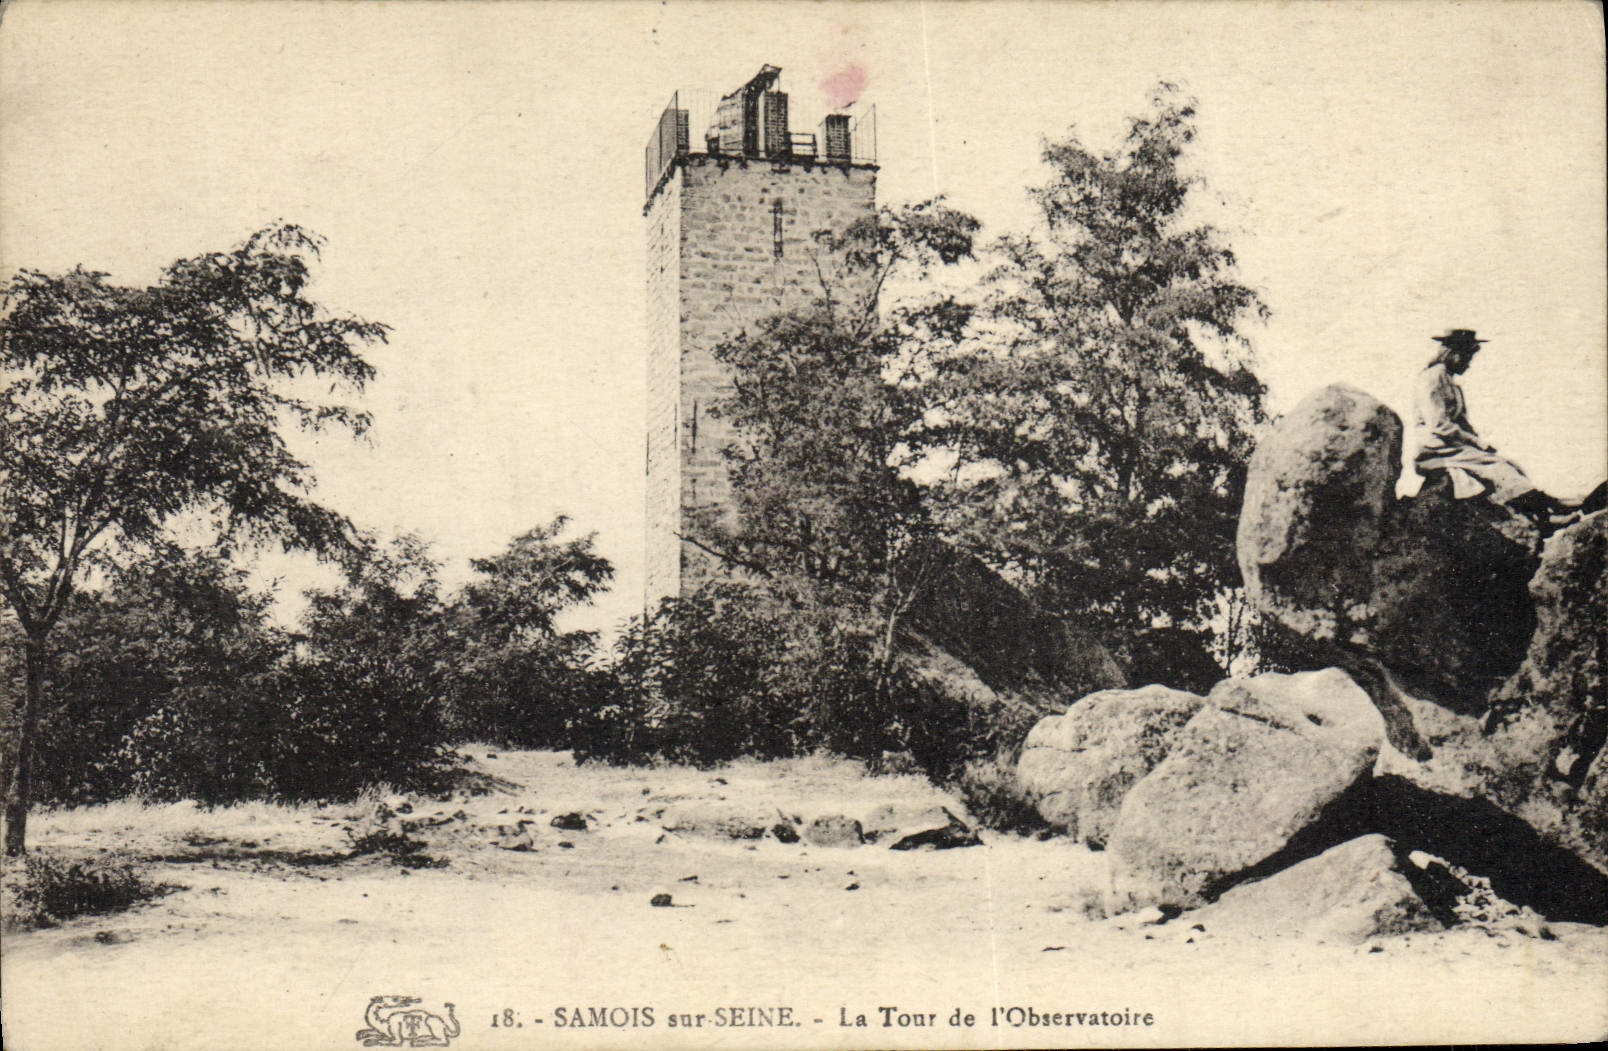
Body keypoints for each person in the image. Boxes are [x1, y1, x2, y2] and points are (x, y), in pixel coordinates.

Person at [1414, 329, 1602, 528]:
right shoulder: (1433, 378)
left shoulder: (1449, 381)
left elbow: (1461, 422)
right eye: (1467, 357)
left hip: (1452, 446)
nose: (1468, 363)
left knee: (1507, 464)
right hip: (1437, 449)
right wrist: (1478, 443)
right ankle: (1548, 514)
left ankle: (1549, 507)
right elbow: (1439, 424)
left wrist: (1478, 442)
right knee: (1499, 468)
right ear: (1454, 354)